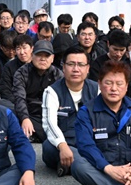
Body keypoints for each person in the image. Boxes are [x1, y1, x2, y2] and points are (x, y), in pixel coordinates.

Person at [42, 45, 98, 176]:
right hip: (65, 142)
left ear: (88, 68)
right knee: (48, 146)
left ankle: (72, 165)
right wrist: (62, 145)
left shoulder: (97, 89)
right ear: (64, 67)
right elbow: (49, 124)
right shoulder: (51, 91)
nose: (76, 69)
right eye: (71, 64)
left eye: (81, 65)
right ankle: (84, 164)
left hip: (90, 141)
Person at [13, 40, 63, 142]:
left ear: (52, 58)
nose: (43, 59)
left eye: (47, 56)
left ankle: (38, 135)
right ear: (32, 56)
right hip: (29, 112)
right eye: (39, 55)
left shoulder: (58, 74)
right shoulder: (21, 73)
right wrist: (25, 118)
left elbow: (63, 98)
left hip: (51, 113)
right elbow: (19, 98)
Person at [0, 34, 33, 104]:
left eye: (24, 48)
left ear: (32, 48)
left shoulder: (37, 65)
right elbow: (5, 89)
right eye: (18, 49)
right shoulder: (9, 66)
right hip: (15, 102)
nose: (22, 52)